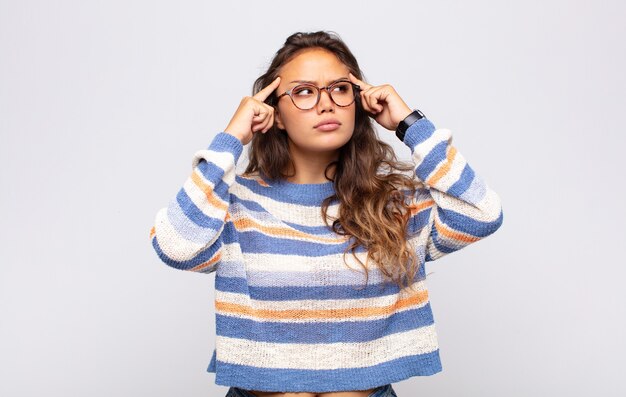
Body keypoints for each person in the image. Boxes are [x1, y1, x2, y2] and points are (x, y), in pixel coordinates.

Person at [149, 31, 503, 397]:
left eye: (339, 89)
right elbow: (175, 245)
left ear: (359, 101)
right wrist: (231, 138)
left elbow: (481, 214)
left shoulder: (393, 203)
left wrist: (409, 123)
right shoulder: (234, 202)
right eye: (303, 92)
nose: (326, 104)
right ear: (276, 114)